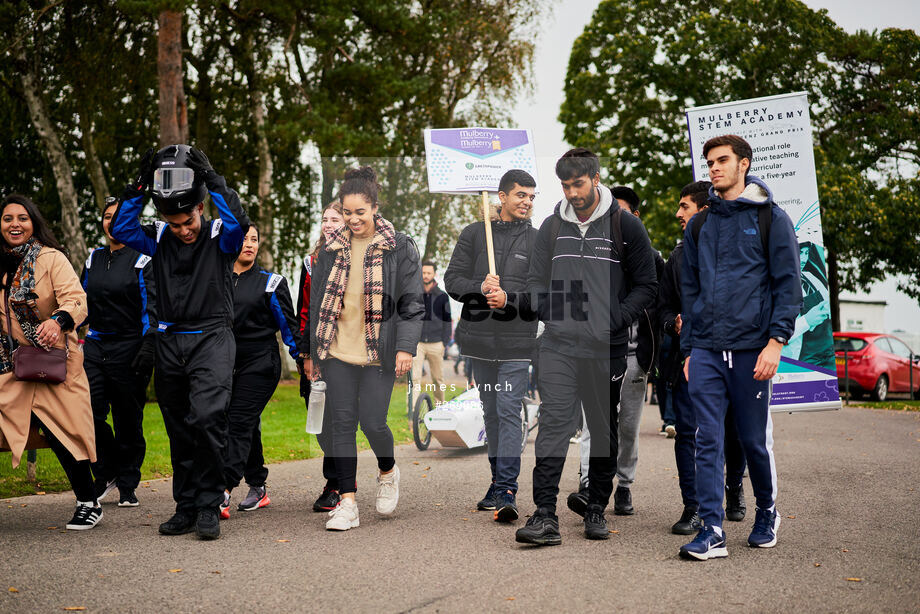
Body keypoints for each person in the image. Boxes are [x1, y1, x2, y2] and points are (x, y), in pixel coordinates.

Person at [515, 149, 657, 546]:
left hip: (605, 347)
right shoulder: (551, 226)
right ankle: (544, 514)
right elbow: (534, 281)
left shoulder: (625, 226)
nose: (572, 193)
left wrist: (614, 318)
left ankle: (595, 506)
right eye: (565, 185)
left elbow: (648, 285)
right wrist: (548, 310)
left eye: (578, 183)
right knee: (555, 423)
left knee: (602, 426)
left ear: (595, 178)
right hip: (558, 344)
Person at [111, 144, 250, 540]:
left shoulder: (221, 237)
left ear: (200, 210)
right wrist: (139, 186)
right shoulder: (157, 238)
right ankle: (185, 505)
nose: (183, 230)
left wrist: (212, 180)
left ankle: (209, 503)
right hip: (171, 341)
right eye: (174, 224)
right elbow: (120, 228)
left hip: (213, 339)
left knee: (207, 419)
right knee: (179, 429)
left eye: (188, 221)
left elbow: (240, 222)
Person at [679, 135, 802, 560]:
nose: (713, 168)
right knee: (706, 438)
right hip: (708, 350)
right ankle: (712, 530)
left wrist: (776, 341)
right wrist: (690, 350)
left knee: (752, 441)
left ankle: (767, 510)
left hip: (753, 349)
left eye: (722, 160)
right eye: (709, 162)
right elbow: (690, 292)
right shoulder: (699, 225)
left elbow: (789, 285)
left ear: (743, 164)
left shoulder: (771, 218)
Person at [307, 166, 423, 532]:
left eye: (360, 212)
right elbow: (321, 301)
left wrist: (405, 347)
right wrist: (314, 351)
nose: (353, 219)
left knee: (373, 423)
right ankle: (348, 502)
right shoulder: (331, 248)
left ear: (374, 207)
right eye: (346, 212)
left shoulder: (399, 246)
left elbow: (411, 303)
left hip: (379, 351)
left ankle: (388, 472)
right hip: (339, 348)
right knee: (342, 425)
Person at [0, 194, 101, 530]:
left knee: (62, 431)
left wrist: (57, 320)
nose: (15, 224)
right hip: (13, 368)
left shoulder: (51, 259)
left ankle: (88, 501)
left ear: (33, 223)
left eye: (22, 218)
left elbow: (77, 300)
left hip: (55, 362)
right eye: (7, 218)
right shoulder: (1, 266)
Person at [444, 168, 539, 523]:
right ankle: (497, 480)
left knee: (507, 409)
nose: (527, 202)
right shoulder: (472, 234)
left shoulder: (538, 240)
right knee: (491, 412)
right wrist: (480, 289)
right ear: (501, 197)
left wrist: (509, 299)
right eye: (521, 195)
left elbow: (541, 296)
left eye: (532, 197)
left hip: (517, 343)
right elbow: (452, 280)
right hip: (480, 343)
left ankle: (508, 488)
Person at [566, 185, 664, 518]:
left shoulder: (650, 258)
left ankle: (623, 485)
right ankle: (587, 483)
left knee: (627, 426)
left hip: (635, 355)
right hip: (596, 352)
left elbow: (655, 299)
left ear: (633, 218)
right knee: (594, 424)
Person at [658, 180, 748, 536]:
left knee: (734, 432)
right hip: (688, 358)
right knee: (687, 434)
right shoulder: (677, 258)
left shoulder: (740, 249)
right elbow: (662, 307)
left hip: (733, 357)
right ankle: (693, 506)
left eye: (685, 206)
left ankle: (734, 488)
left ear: (705, 209)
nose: (678, 214)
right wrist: (672, 322)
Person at [80, 197, 158, 508]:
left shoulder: (142, 259)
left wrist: (148, 344)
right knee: (88, 411)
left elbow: (150, 308)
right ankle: (107, 471)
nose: (112, 223)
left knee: (128, 419)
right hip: (95, 346)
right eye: (107, 217)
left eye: (119, 217)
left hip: (130, 349)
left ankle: (128, 482)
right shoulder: (93, 259)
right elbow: (81, 302)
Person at [219, 224, 300, 519]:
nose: (250, 244)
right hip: (225, 363)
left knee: (238, 421)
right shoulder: (217, 278)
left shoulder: (270, 282)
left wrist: (303, 361)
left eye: (254, 239)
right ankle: (257, 483)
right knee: (245, 421)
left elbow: (289, 327)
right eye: (244, 239)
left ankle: (222, 489)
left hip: (261, 363)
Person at [296, 200, 346, 513]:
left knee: (342, 420)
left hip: (348, 352)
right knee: (321, 421)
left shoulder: (360, 260)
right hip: (318, 353)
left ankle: (338, 483)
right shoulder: (312, 262)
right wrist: (305, 354)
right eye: (325, 219)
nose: (328, 225)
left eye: (335, 219)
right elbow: (304, 312)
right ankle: (339, 477)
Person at [411, 260, 452, 404]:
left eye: (429, 273)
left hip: (436, 343)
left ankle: (440, 408)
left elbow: (448, 320)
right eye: (423, 273)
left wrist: (444, 343)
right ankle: (414, 414)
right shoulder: (413, 294)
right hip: (417, 344)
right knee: (415, 379)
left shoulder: (442, 296)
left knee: (438, 379)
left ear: (434, 274)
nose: (426, 275)